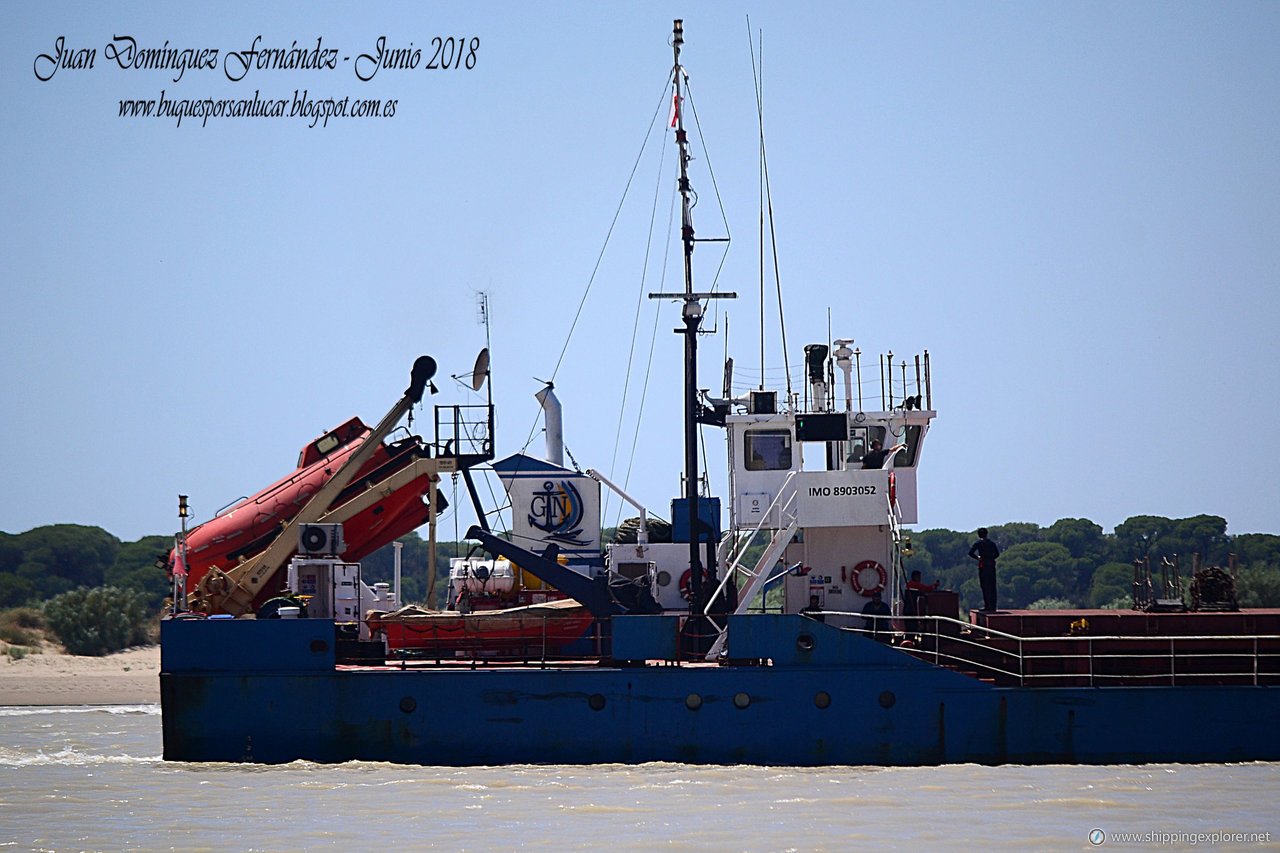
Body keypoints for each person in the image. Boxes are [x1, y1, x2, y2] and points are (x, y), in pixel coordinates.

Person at [968, 527, 1000, 611]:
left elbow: (970, 553)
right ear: (987, 534)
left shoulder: (978, 543)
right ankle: (993, 606)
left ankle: (987, 605)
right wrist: (991, 558)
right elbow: (997, 554)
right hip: (991, 566)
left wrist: (978, 557)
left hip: (983, 566)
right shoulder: (991, 543)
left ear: (979, 535)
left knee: (985, 586)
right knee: (992, 586)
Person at [904, 570, 939, 636]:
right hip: (911, 610)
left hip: (910, 610)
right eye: (919, 577)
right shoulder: (913, 584)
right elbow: (925, 588)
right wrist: (935, 585)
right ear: (915, 577)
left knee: (911, 629)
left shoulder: (910, 584)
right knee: (911, 628)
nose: (920, 579)